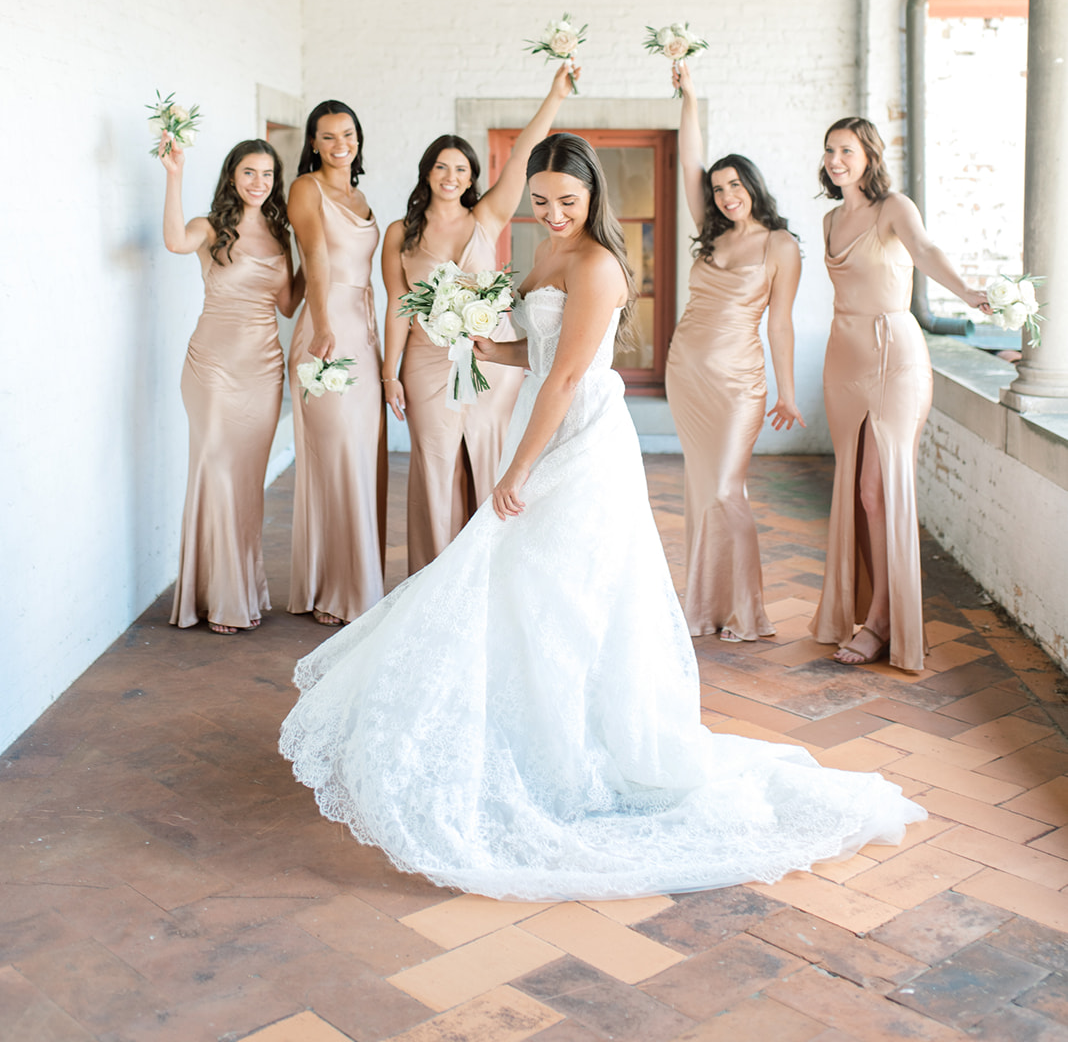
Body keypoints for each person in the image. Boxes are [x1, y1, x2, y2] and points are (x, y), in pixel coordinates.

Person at [280, 133, 924, 900]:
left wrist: (514, 471)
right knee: (528, 584)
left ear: (594, 201)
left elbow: (567, 376)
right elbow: (531, 351)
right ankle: (534, 731)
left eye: (569, 202)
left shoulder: (599, 266)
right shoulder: (547, 255)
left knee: (565, 583)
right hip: (543, 424)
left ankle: (583, 744)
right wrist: (473, 335)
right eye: (543, 202)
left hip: (579, 437)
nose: (553, 214)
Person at [811, 117, 990, 672]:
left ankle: (884, 620)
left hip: (895, 353)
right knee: (857, 492)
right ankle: (869, 611)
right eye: (829, 150)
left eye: (847, 150)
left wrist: (966, 290)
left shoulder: (895, 207)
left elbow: (925, 249)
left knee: (877, 489)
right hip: (844, 358)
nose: (836, 159)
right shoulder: (829, 219)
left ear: (869, 154)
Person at [381, 64, 573, 573]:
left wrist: (553, 95)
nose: (452, 177)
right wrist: (389, 373)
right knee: (436, 464)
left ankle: (491, 568)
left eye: (462, 170)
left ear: (472, 178)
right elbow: (398, 306)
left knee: (488, 459)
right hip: (425, 365)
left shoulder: (486, 218)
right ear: (427, 172)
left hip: (491, 364)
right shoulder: (401, 233)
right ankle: (436, 575)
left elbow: (521, 159)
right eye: (442, 168)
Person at [665, 60, 804, 641]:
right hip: (686, 373)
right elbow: (689, 160)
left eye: (734, 186)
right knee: (703, 492)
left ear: (753, 186)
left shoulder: (780, 244)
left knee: (727, 489)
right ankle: (704, 610)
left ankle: (747, 613)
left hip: (738, 383)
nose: (725, 196)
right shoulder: (710, 232)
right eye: (718, 189)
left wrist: (788, 392)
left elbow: (781, 324)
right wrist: (690, 96)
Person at [161, 136, 302, 634]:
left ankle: (241, 589)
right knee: (217, 471)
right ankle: (219, 597)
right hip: (213, 368)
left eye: (267, 175)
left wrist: (323, 255)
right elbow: (175, 240)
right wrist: (174, 173)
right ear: (231, 176)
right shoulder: (210, 227)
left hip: (264, 370)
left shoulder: (281, 234)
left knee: (246, 484)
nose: (258, 183)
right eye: (249, 173)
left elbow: (287, 305)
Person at [287, 100, 386, 626]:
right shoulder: (307, 189)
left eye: (347, 133)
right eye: (327, 136)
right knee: (334, 453)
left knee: (360, 454)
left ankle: (356, 580)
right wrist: (322, 324)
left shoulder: (362, 196)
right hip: (329, 331)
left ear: (357, 138)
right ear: (313, 143)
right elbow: (316, 258)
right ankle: (333, 589)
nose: (339, 143)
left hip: (364, 332)